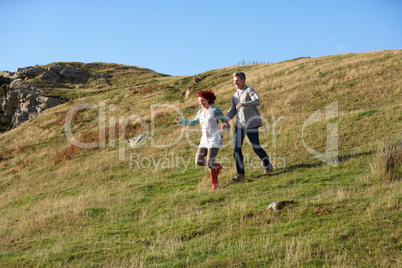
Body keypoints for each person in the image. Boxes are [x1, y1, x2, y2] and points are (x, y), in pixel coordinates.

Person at [221, 71, 273, 182]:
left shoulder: (249, 90)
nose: (235, 83)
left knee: (256, 147)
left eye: (237, 81)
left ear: (243, 80)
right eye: (234, 81)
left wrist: (245, 104)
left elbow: (257, 101)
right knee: (236, 148)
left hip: (251, 124)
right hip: (239, 126)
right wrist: (225, 121)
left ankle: (267, 167)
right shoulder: (235, 96)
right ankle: (240, 174)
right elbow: (232, 110)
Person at [176, 90, 228, 190]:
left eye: (203, 101)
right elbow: (193, 122)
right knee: (198, 161)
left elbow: (225, 121)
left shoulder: (215, 110)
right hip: (204, 139)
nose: (201, 103)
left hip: (214, 139)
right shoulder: (200, 111)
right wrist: (182, 121)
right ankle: (217, 166)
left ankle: (215, 186)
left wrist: (225, 126)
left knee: (209, 163)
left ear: (208, 100)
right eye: (199, 101)